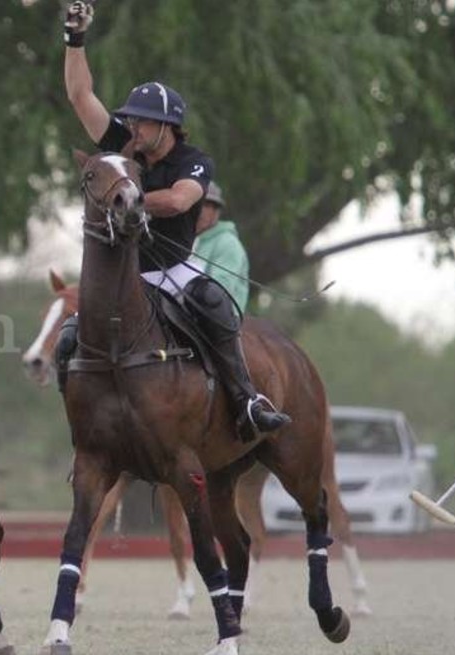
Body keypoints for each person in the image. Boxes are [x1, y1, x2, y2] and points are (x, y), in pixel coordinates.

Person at [54, 1, 289, 437]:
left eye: (143, 123)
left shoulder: (193, 161)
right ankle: (82, 424)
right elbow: (80, 96)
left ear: (168, 127)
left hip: (174, 271)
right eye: (132, 120)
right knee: (68, 336)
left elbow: (181, 201)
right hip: (122, 274)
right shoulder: (124, 144)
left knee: (217, 308)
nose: (134, 128)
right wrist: (75, 38)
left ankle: (246, 400)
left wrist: (129, 199)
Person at [189, 181, 249, 313]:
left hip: (217, 319)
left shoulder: (228, 243)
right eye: (196, 204)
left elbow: (219, 290)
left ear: (216, 212)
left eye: (206, 205)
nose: (199, 210)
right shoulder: (184, 238)